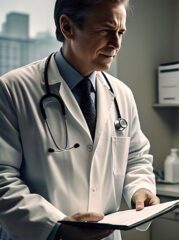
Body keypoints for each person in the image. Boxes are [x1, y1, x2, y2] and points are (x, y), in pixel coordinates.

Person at [0, 0, 159, 239]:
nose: (116, 44)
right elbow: (3, 178)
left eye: (120, 32)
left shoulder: (121, 94)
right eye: (105, 31)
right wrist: (57, 226)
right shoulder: (14, 89)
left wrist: (141, 188)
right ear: (67, 27)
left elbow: (136, 157)